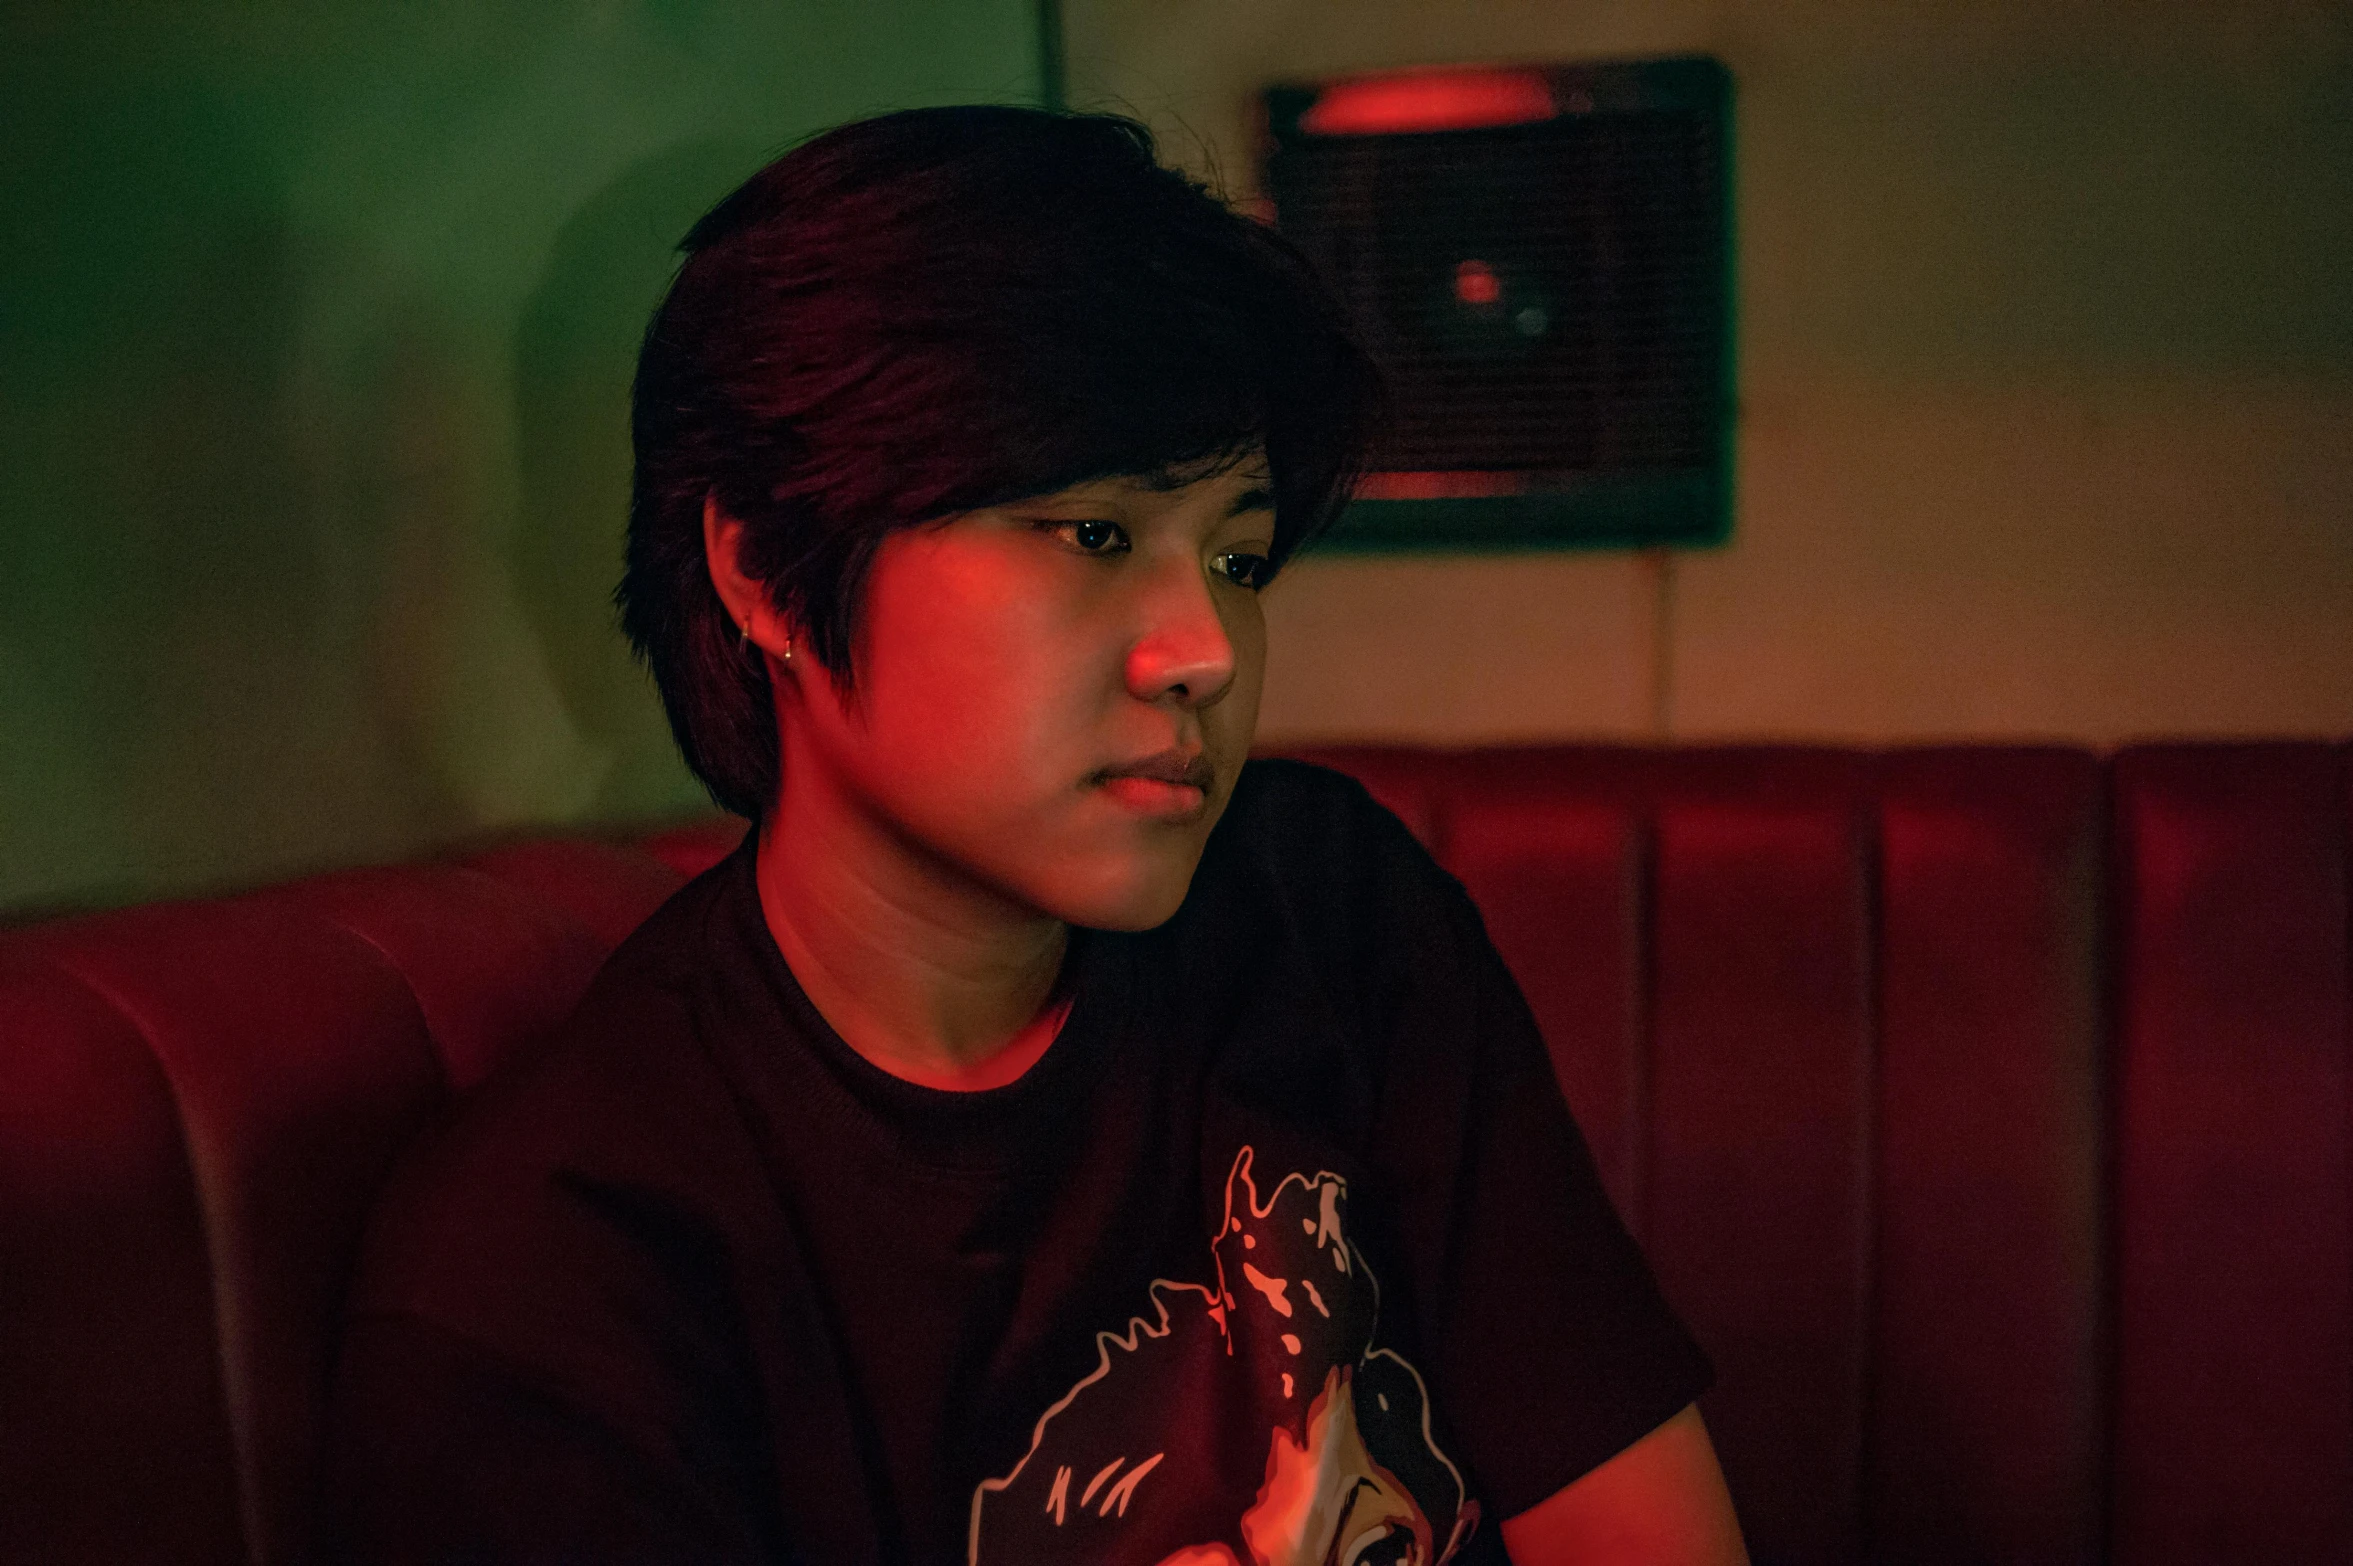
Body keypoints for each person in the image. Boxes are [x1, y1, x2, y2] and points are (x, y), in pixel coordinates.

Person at [326, 105, 1747, 1565]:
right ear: (759, 567)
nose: (1206, 646)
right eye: (1094, 533)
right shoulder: (558, 1274)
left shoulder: (1327, 908)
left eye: (1237, 556)